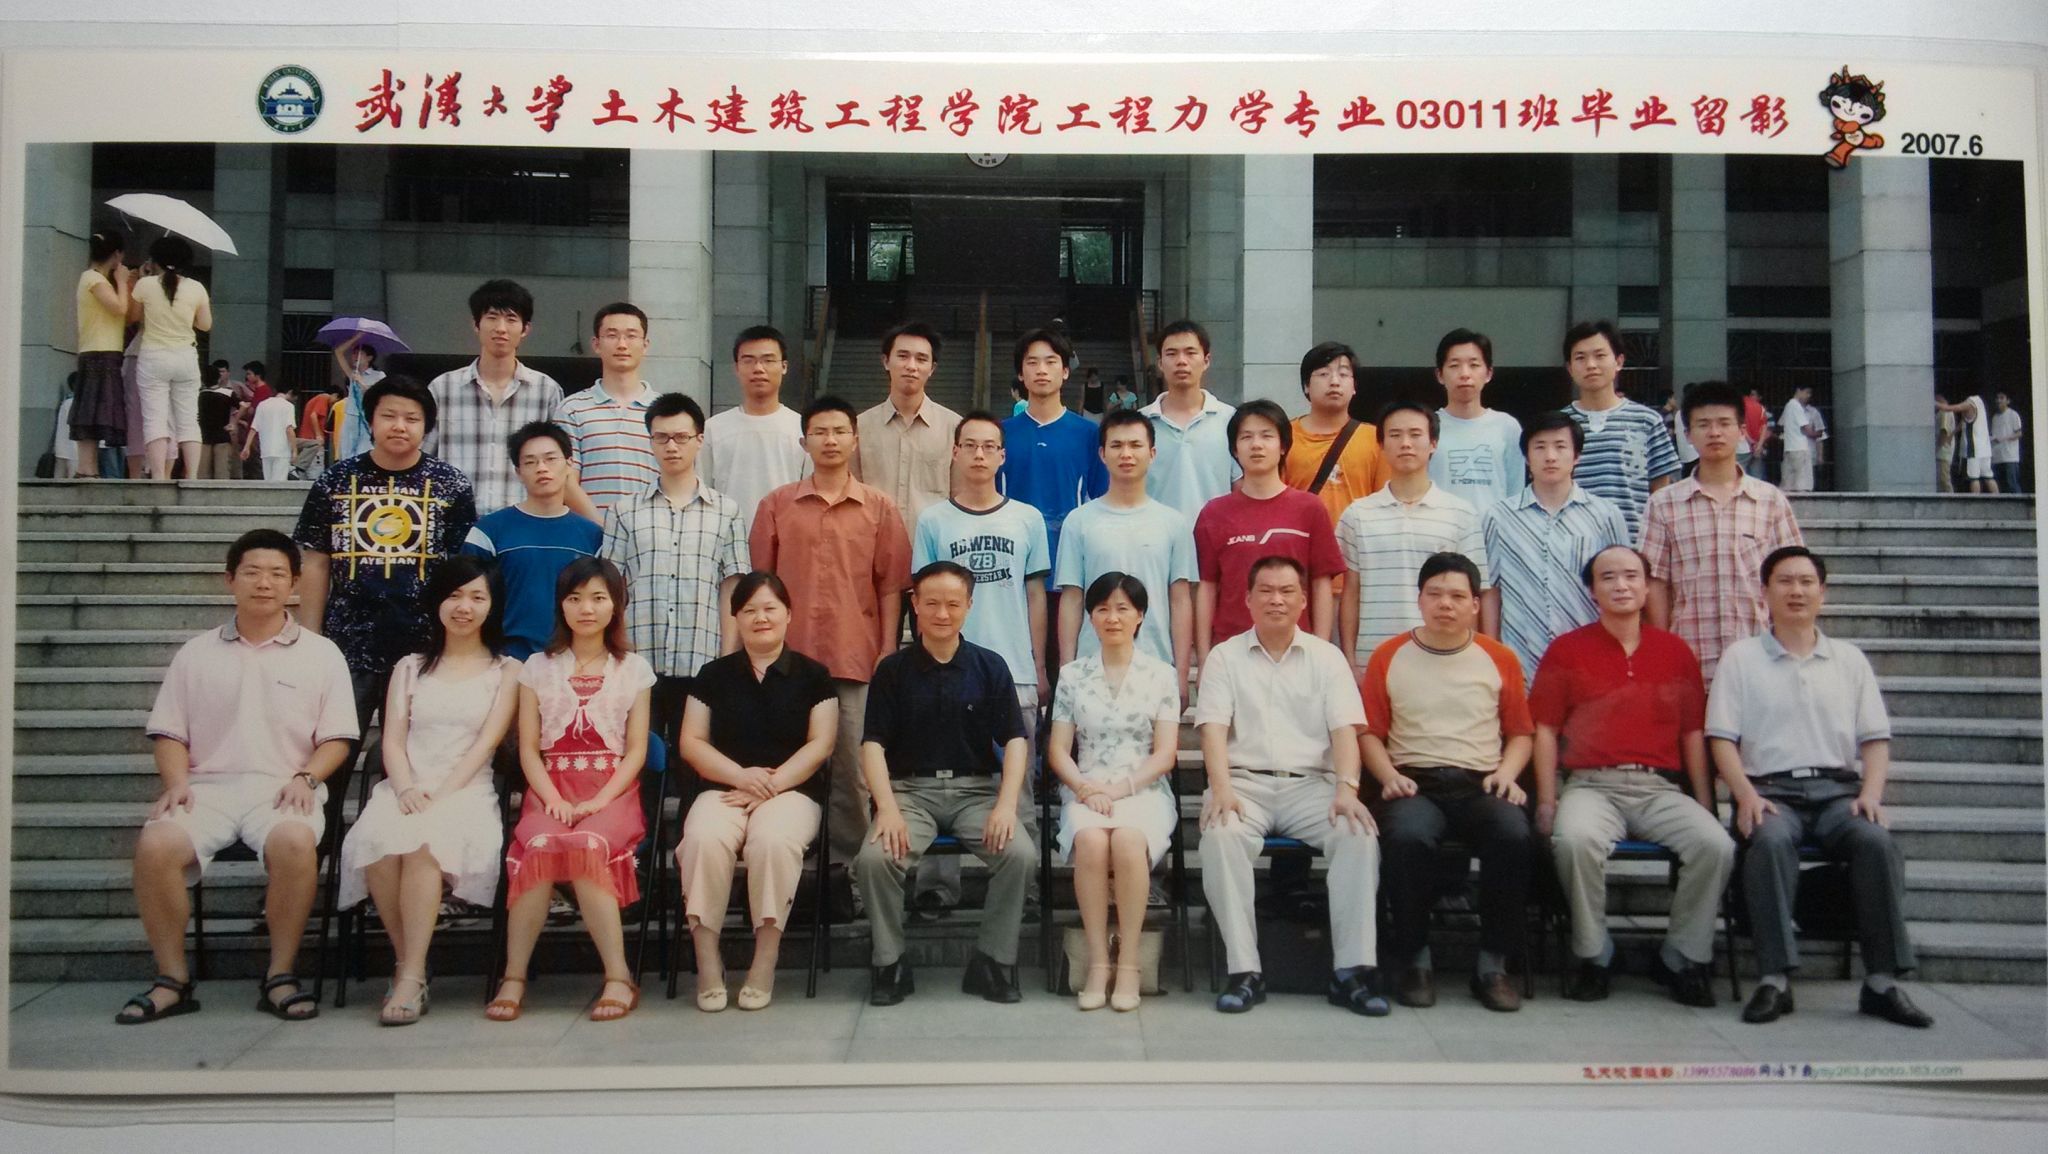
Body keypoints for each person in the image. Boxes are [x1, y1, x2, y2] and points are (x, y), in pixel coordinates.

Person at [114, 530, 358, 1024]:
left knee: (294, 841)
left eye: (277, 574)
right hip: (207, 789)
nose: (264, 583)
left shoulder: (322, 654)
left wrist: (308, 777)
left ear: (294, 584)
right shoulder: (196, 653)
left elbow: (337, 738)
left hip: (284, 787)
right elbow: (170, 733)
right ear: (230, 580)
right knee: (156, 845)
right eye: (252, 572)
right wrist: (176, 783)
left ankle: (280, 975)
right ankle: (172, 979)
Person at [1706, 546, 1932, 1028]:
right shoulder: (1741, 658)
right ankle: (1774, 979)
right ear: (1765, 593)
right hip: (1771, 791)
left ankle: (1882, 982)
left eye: (1807, 582)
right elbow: (1721, 739)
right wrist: (1745, 795)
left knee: (1875, 842)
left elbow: (1875, 739)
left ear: (1823, 593)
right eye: (1785, 581)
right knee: (1768, 841)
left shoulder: (1848, 660)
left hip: (1837, 792)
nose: (1797, 591)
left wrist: (1870, 795)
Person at [1531, 545, 1734, 1007]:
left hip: (1658, 788)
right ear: (1592, 590)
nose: (1620, 585)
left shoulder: (1674, 652)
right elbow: (1544, 731)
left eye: (1631, 576)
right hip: (1591, 785)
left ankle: (1681, 957)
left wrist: (1705, 802)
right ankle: (1594, 954)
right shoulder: (1567, 650)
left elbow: (1692, 733)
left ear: (1646, 588)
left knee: (1715, 845)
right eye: (1608, 577)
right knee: (1574, 841)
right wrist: (1547, 800)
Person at [337, 555, 520, 1025]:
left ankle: (410, 976)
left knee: (422, 846)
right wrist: (405, 788)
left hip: (466, 792)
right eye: (454, 595)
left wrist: (441, 794)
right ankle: (411, 964)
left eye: (477, 597)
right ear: (437, 601)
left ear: (492, 606)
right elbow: (392, 740)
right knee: (377, 842)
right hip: (406, 786)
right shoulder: (410, 667)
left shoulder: (507, 670)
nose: (464, 607)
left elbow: (487, 742)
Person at [1198, 555, 1383, 1015]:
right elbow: (1213, 730)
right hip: (1244, 785)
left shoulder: (1326, 657)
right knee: (1221, 836)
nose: (1276, 600)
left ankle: (1351, 972)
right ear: (1247, 599)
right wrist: (1220, 788)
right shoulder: (1224, 657)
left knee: (1358, 834)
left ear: (1303, 600)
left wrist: (1347, 789)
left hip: (1311, 787)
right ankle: (1245, 971)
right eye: (1265, 590)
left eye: (1286, 591)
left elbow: (1345, 730)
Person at [1359, 552, 1534, 1013]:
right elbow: (1369, 733)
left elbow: (1521, 733)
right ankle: (1415, 960)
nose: (1445, 604)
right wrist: (1388, 776)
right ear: (1419, 600)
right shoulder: (1388, 655)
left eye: (1457, 596)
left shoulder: (1499, 658)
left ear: (1475, 604)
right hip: (1413, 782)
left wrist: (1507, 774)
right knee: (1407, 837)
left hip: (1481, 781)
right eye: (1434, 594)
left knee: (1513, 835)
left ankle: (1493, 965)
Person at [855, 561, 1033, 1006]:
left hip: (976, 792)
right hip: (909, 794)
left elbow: (1014, 739)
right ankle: (890, 962)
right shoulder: (893, 670)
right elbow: (872, 745)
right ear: (914, 604)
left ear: (969, 605)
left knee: (1020, 855)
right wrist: (887, 808)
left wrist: (1006, 805)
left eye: (953, 604)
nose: (942, 613)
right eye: (931, 602)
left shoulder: (989, 666)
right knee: (875, 859)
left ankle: (992, 961)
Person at [294, 375, 478, 797]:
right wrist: (311, 637)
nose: (400, 426)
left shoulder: (450, 484)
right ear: (370, 420)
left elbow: (462, 569)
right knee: (333, 754)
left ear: (426, 426)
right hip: (348, 644)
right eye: (389, 416)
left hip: (424, 646)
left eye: (412, 418)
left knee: (414, 761)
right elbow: (317, 561)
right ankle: (322, 837)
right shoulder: (335, 481)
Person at [490, 557, 656, 1023]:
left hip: (612, 790)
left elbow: (637, 750)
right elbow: (529, 750)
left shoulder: (634, 668)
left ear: (616, 605)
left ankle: (618, 977)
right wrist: (554, 799)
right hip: (551, 788)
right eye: (575, 598)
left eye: (598, 598)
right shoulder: (536, 668)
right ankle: (513, 976)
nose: (587, 608)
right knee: (540, 844)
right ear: (561, 605)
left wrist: (601, 799)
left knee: (587, 844)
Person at [751, 395, 912, 867]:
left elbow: (891, 587)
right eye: (819, 431)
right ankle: (785, 863)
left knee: (852, 770)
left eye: (840, 431)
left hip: (853, 656)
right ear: (804, 442)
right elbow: (760, 584)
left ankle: (848, 870)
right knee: (782, 761)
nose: (830, 440)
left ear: (855, 440)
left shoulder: (879, 508)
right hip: (785, 659)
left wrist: (887, 648)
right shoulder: (776, 505)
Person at [675, 571, 836, 1012]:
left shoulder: (814, 676)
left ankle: (765, 959)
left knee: (772, 841)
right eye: (749, 610)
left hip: (792, 791)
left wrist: (770, 784)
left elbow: (821, 744)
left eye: (770, 608)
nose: (760, 618)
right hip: (725, 788)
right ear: (736, 618)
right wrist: (741, 777)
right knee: (703, 838)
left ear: (788, 614)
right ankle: (707, 959)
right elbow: (692, 742)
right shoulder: (713, 675)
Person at [1046, 572, 1180, 1012]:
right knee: (1089, 840)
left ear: (1140, 616)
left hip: (1143, 789)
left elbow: (1165, 754)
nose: (1113, 618)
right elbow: (1058, 751)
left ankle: (1130, 965)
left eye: (1123, 608)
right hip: (1086, 788)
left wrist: (1121, 788)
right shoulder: (1072, 676)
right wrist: (1086, 789)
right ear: (1090, 617)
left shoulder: (1161, 675)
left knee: (1127, 839)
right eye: (1102, 609)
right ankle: (1098, 962)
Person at [603, 392, 749, 751]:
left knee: (695, 760)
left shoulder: (727, 511)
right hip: (638, 659)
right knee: (640, 757)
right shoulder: (624, 511)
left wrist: (728, 658)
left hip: (702, 660)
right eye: (662, 437)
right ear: (650, 442)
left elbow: (731, 588)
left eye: (681, 437)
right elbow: (611, 588)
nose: (672, 446)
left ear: (699, 440)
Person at [1643, 381, 1806, 683]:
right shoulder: (1663, 504)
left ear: (1742, 431)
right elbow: (1655, 584)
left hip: (1761, 664)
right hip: (1688, 664)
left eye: (1724, 423)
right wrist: (1662, 650)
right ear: (1688, 435)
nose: (1714, 432)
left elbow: (1792, 577)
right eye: (1703, 425)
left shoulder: (1770, 501)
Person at [916, 411, 1051, 746]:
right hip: (949, 668)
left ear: (1002, 456)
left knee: (1017, 771)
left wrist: (1039, 667)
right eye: (970, 446)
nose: (979, 455)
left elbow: (1035, 596)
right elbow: (922, 602)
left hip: (1015, 668)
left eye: (989, 447)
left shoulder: (1028, 519)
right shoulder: (932, 521)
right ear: (955, 452)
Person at [1337, 401, 1489, 673]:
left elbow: (1472, 594)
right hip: (1372, 662)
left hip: (1442, 661)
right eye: (1395, 435)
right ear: (1381, 445)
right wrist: (1349, 659)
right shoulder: (1357, 515)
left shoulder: (1462, 514)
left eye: (1415, 434)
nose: (1405, 443)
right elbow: (1350, 593)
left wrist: (1468, 660)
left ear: (1433, 444)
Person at [1054, 410, 1197, 698]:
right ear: (1102, 454)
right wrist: (1067, 670)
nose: (1126, 454)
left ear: (1152, 453)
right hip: (1091, 669)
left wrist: (1181, 674)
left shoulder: (1173, 523)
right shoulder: (1079, 521)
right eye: (1117, 445)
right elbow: (1072, 599)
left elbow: (1180, 600)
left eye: (1135, 445)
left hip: (1155, 667)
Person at [1480, 411, 1631, 683]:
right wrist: (1492, 651)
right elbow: (1490, 589)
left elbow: (1623, 585)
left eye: (1560, 447)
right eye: (1540, 447)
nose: (1550, 456)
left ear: (1577, 456)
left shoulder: (1606, 515)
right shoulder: (1498, 517)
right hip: (1521, 662)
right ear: (1527, 457)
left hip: (1592, 659)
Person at [1195, 398, 1345, 668]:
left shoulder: (1310, 508)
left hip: (1297, 653)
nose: (1256, 445)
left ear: (1283, 445)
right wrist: (1206, 658)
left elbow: (1321, 583)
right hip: (1232, 654)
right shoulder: (1214, 513)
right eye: (1246, 437)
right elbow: (1207, 588)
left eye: (1267, 436)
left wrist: (1320, 651)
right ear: (1234, 449)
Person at [999, 327, 1109, 646]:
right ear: (1021, 374)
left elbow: (1100, 500)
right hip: (1014, 576)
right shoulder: (1000, 435)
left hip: (1070, 575)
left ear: (1065, 371)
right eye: (1032, 362)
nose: (1041, 370)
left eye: (1050, 362)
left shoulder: (1089, 434)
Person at [424, 279, 569, 516]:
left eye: (511, 319)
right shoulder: (443, 388)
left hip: (522, 522)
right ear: (476, 324)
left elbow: (558, 465)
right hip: (456, 521)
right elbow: (423, 458)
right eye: (492, 318)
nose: (501, 328)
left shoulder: (546, 391)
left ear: (525, 329)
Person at [465, 422, 605, 660]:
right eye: (530, 462)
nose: (542, 468)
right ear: (518, 472)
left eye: (550, 459)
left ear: (569, 464)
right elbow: (467, 596)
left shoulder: (593, 537)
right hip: (506, 661)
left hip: (573, 662)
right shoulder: (489, 531)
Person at [1561, 320, 1680, 543]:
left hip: (1632, 547)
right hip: (1572, 546)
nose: (1591, 365)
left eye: (1600, 355)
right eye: (1580, 358)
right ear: (1569, 368)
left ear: (1619, 361)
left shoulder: (1647, 421)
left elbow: (1661, 492)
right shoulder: (1558, 425)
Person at [701, 324, 810, 537]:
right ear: (736, 367)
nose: (758, 368)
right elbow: (703, 490)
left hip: (786, 541)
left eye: (768, 360)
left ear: (784, 366)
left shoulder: (801, 428)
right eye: (748, 360)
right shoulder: (713, 429)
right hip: (727, 541)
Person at [555, 302, 660, 518]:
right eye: (612, 335)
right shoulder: (572, 409)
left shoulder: (665, 411)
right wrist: (604, 528)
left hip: (650, 530)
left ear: (645, 345)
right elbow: (566, 481)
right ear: (596, 344)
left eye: (631, 336)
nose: (622, 344)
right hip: (591, 533)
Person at [855, 320, 961, 530]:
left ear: (932, 368)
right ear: (886, 361)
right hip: (874, 543)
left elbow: (960, 497)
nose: (911, 366)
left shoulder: (955, 427)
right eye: (903, 356)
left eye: (921, 359)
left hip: (931, 545)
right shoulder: (860, 427)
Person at [127, 235, 212, 481]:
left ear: (155, 260)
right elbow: (205, 325)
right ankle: (192, 476)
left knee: (155, 418)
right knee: (189, 420)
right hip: (186, 356)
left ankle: (158, 476)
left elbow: (133, 317)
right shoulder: (197, 288)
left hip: (153, 356)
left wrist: (140, 279)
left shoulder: (145, 285)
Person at [1140, 320, 1236, 520]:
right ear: (1160, 363)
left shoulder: (1230, 420)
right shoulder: (1140, 424)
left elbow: (1240, 486)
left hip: (1215, 534)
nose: (1181, 361)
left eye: (1190, 353)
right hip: (1154, 535)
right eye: (1171, 354)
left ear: (1206, 360)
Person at [1428, 328, 1525, 515]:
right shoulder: (1426, 426)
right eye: (1454, 365)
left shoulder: (1507, 426)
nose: (1465, 374)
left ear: (1488, 373)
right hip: (1441, 530)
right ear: (1439, 375)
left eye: (1474, 365)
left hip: (1494, 531)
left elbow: (1516, 491)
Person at [68, 229, 131, 477]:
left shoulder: (96, 279)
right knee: (91, 412)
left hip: (101, 351)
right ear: (116, 254)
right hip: (99, 352)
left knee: (93, 412)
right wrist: (123, 281)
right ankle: (86, 467)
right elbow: (119, 308)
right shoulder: (93, 279)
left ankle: (88, 468)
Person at [331, 336, 385, 464]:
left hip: (368, 417)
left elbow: (379, 395)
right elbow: (338, 352)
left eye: (359, 353)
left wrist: (361, 383)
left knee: (365, 450)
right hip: (351, 415)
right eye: (354, 353)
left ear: (369, 358)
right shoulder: (353, 374)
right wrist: (356, 337)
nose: (355, 356)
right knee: (347, 452)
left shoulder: (379, 375)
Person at [1936, 388, 1999, 494]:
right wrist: (1953, 433)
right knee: (1988, 476)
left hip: (1973, 448)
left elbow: (1949, 408)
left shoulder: (1969, 404)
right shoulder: (1980, 404)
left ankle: (1976, 500)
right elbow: (1964, 422)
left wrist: (1934, 403)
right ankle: (1998, 498)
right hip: (1985, 448)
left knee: (1974, 477)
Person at [241, 383, 297, 482]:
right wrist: (294, 450)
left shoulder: (262, 405)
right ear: (290, 392)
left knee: (268, 481)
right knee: (279, 482)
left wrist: (246, 447)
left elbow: (254, 428)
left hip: (265, 450)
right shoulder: (288, 406)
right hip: (282, 450)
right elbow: (289, 429)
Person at [1778, 385, 1821, 493]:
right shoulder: (1796, 406)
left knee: (1788, 483)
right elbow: (1806, 428)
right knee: (1802, 483)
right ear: (1798, 390)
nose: (1808, 396)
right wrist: (1818, 434)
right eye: (1807, 392)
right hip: (1800, 447)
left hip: (1789, 447)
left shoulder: (1788, 406)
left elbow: (1781, 426)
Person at [197, 370, 237, 480]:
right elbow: (244, 405)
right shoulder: (228, 393)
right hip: (222, 435)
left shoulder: (198, 394)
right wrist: (234, 422)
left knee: (202, 474)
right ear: (219, 379)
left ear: (202, 380)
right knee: (222, 472)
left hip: (202, 436)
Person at [1991, 391, 2025, 494]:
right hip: (1997, 457)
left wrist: (2004, 438)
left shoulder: (2013, 414)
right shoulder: (1995, 417)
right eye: (1997, 398)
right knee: (2000, 486)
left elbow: (2019, 433)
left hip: (2010, 457)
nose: (1999, 400)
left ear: (2008, 401)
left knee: (2012, 485)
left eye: (2002, 398)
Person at [296, 387, 334, 478]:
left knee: (304, 473)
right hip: (314, 441)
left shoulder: (314, 400)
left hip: (306, 440)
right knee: (315, 472)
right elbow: (313, 415)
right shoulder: (323, 398)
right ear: (335, 395)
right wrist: (318, 435)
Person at [1742, 387, 1770, 479]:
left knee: (1740, 477)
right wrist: (1759, 445)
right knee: (1757, 478)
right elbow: (1764, 427)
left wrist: (1752, 443)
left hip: (1742, 448)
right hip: (1757, 448)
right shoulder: (1760, 407)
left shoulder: (1738, 406)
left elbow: (1741, 426)